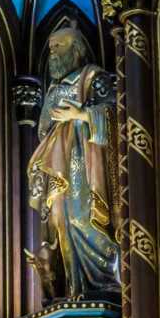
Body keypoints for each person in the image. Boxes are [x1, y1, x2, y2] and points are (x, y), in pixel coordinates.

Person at [27, 26, 120, 300]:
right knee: (60, 221)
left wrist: (82, 115)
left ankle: (102, 284)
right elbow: (44, 129)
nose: (52, 53)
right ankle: (74, 287)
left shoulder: (94, 78)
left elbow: (116, 114)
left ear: (76, 49)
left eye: (59, 46)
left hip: (87, 167)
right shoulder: (54, 89)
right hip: (59, 169)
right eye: (50, 47)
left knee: (83, 218)